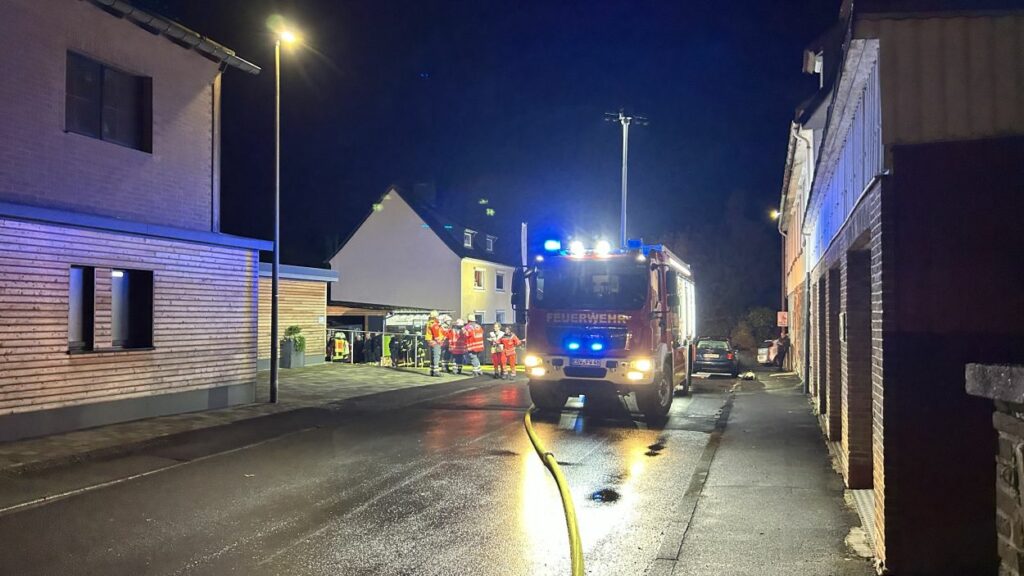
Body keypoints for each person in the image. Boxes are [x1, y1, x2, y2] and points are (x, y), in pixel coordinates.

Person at [425, 311, 446, 377]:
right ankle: (436, 371)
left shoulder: (429, 323)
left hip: (431, 341)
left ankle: (432, 370)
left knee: (433, 356)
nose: (438, 317)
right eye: (437, 316)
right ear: (435, 317)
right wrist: (440, 341)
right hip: (435, 342)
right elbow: (436, 335)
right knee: (436, 356)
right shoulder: (434, 324)